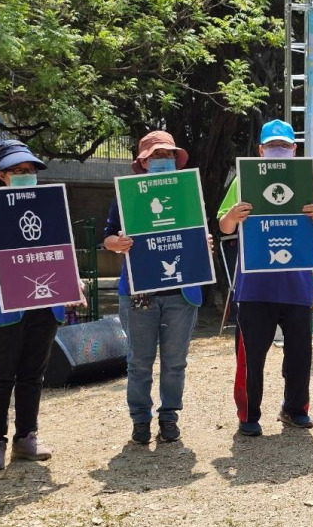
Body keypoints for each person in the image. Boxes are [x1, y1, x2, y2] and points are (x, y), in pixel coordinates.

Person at [217, 119, 313, 436]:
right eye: (272, 146)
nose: (278, 150)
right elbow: (224, 226)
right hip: (254, 287)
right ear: (260, 150)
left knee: (299, 357)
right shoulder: (244, 180)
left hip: (297, 286)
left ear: (294, 149)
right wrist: (232, 216)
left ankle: (295, 409)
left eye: (284, 145)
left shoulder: (305, 180)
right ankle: (248, 415)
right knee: (251, 359)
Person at [0, 140, 63, 471]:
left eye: (30, 170)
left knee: (33, 374)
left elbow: (61, 252)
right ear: (2, 176)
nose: (26, 174)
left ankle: (26, 439)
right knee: (0, 375)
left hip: (44, 302)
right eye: (18, 170)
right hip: (4, 308)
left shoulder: (51, 208)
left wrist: (72, 282)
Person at [103, 130, 203, 444]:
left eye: (167, 154)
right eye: (155, 155)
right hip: (139, 292)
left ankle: (169, 417)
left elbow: (197, 236)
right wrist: (117, 243)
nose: (162, 160)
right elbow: (107, 237)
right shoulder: (126, 196)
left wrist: (205, 245)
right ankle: (140, 420)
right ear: (143, 163)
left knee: (175, 362)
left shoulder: (189, 193)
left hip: (181, 293)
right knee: (139, 362)